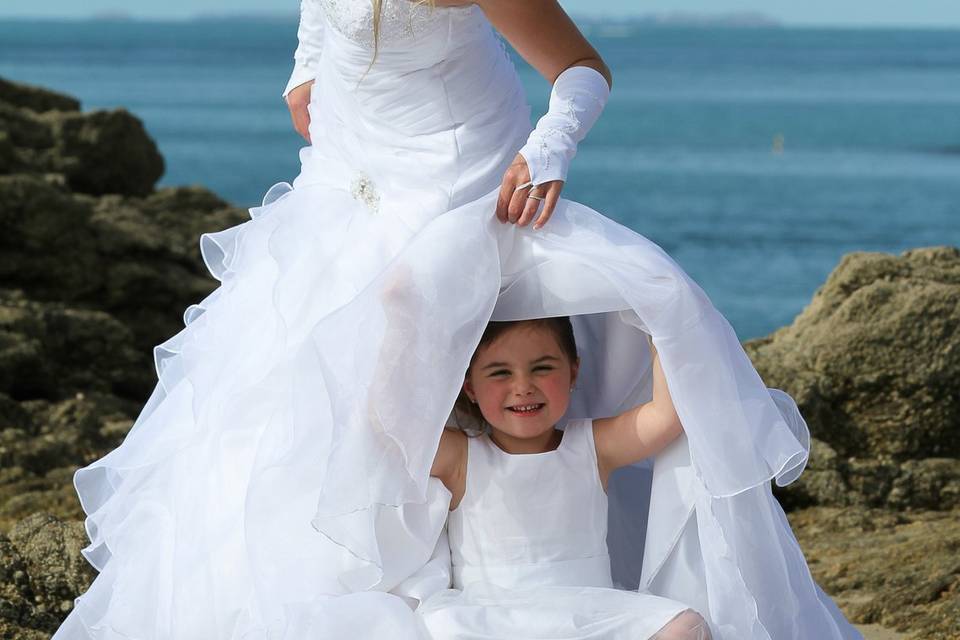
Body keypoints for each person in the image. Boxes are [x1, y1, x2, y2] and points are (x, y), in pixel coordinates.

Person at [53, 1, 864, 638]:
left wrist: (550, 149)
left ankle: (418, 569)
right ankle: (360, 580)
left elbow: (581, 68)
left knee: (401, 311)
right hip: (348, 170)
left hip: (460, 173)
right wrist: (304, 68)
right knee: (282, 380)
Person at [420, 315, 711, 639]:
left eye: (542, 368)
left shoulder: (593, 446)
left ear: (573, 371)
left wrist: (658, 321)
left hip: (588, 612)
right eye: (500, 372)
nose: (523, 386)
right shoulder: (461, 457)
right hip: (493, 615)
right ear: (470, 386)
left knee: (685, 627)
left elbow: (666, 417)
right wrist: (396, 310)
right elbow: (392, 435)